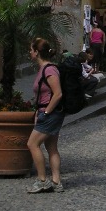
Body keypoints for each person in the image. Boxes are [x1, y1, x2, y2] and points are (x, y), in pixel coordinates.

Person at [27, 38, 65, 193]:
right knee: (52, 147)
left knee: (32, 144)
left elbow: (58, 94)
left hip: (50, 113)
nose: (29, 52)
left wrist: (46, 111)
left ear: (37, 52)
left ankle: (42, 180)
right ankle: (56, 182)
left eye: (31, 49)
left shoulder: (49, 70)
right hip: (48, 111)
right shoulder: (45, 69)